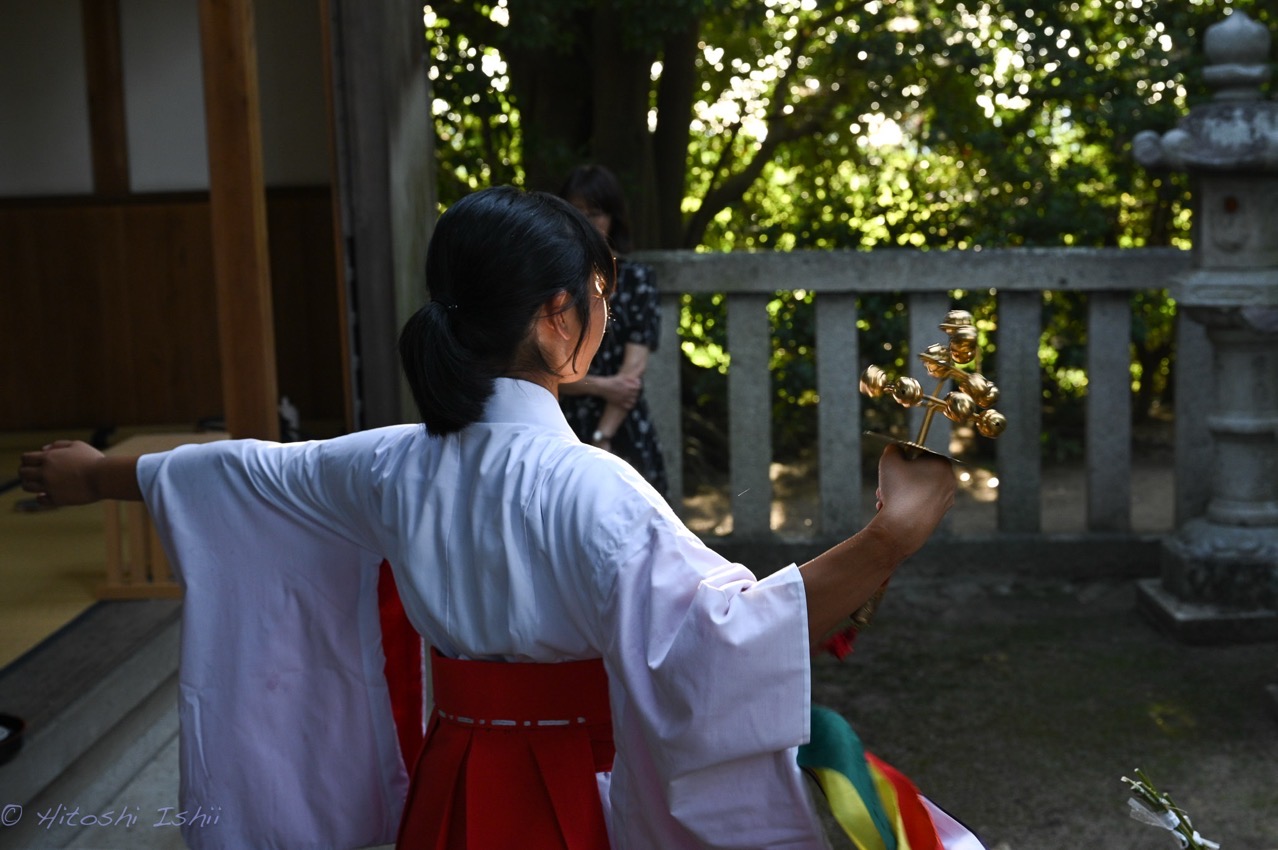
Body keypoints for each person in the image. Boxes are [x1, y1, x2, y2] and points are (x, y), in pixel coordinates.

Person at [19, 186, 967, 850]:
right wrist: (887, 538)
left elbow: (237, 474)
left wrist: (95, 475)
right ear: (557, 317)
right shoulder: (590, 488)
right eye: (598, 297)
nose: (602, 316)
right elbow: (719, 641)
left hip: (452, 779)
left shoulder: (391, 463)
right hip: (572, 791)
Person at [557, 165, 668, 497]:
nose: (586, 223)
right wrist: (605, 386)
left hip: (623, 424)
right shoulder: (552, 278)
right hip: (563, 424)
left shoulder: (637, 279)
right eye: (576, 213)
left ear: (612, 217)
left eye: (595, 214)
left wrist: (602, 437)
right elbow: (546, 370)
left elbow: (631, 376)